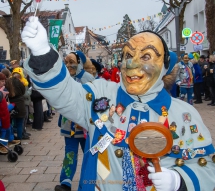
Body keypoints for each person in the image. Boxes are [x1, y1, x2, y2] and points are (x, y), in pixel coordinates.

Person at [22, 17, 215, 191]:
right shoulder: (100, 96)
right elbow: (65, 94)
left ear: (164, 66)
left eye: (146, 56)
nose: (131, 64)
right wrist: (42, 53)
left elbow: (207, 167)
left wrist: (179, 181)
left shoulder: (183, 114)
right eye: (128, 55)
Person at [55, 51, 94, 191]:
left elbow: (95, 99)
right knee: (69, 153)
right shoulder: (65, 78)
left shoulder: (88, 78)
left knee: (90, 154)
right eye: (66, 62)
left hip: (84, 124)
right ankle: (65, 182)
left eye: (72, 62)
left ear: (80, 63)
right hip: (68, 123)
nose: (68, 65)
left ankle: (90, 181)